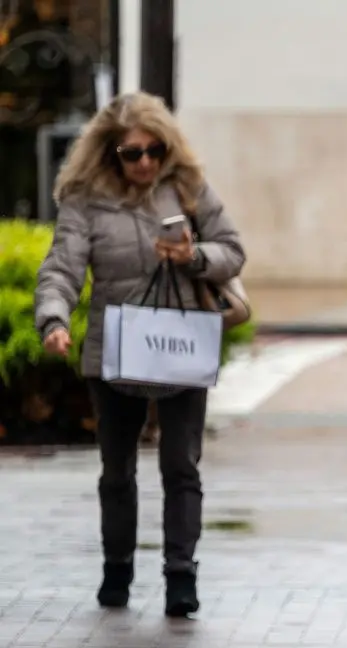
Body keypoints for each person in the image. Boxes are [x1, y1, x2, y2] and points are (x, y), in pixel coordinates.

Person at [33, 92, 246, 617]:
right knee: (116, 469)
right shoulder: (84, 200)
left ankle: (180, 574)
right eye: (132, 154)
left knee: (180, 464)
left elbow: (233, 250)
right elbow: (62, 267)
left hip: (181, 344)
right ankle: (117, 569)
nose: (145, 162)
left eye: (154, 150)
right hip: (116, 350)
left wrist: (193, 256)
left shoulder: (188, 188)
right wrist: (54, 319)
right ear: (110, 153)